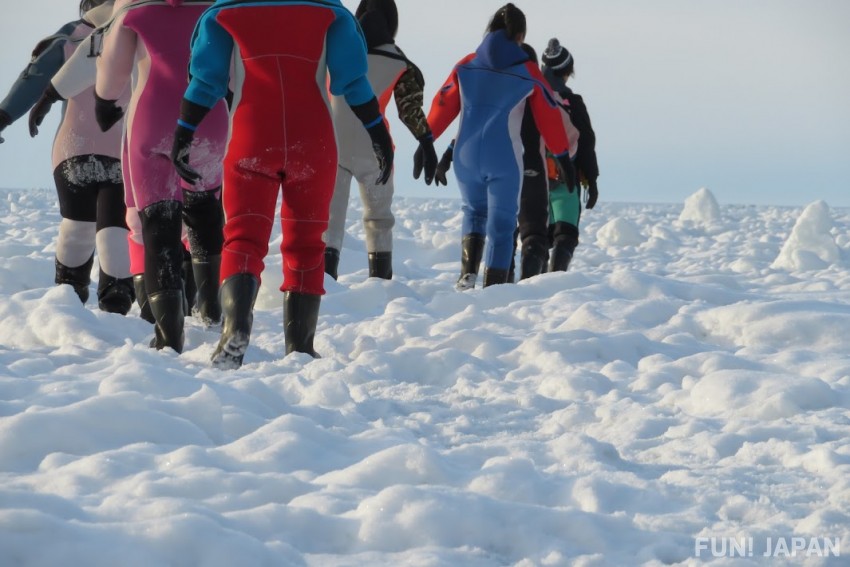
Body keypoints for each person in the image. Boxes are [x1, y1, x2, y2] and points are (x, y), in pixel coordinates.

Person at [173, 0, 394, 368]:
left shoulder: (226, 10)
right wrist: (377, 132)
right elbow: (351, 80)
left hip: (251, 137)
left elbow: (207, 80)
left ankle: (236, 326)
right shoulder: (331, 11)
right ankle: (300, 348)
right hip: (313, 141)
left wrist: (185, 129)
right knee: (308, 243)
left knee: (243, 236)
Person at [89, 0, 229, 353]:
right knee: (204, 213)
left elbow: (110, 77)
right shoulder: (217, 8)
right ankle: (211, 311)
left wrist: (104, 103)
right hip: (208, 118)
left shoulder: (134, 9)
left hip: (151, 119)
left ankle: (169, 338)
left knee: (158, 226)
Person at [425, 3, 576, 289]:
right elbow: (548, 113)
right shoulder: (528, 70)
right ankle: (493, 289)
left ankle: (467, 275)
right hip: (503, 156)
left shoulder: (466, 63)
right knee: (503, 225)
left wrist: (427, 140)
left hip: (466, 156)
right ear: (520, 36)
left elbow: (443, 102)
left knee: (473, 211)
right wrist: (562, 155)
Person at [0, 0, 134, 314]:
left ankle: (67, 307)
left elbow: (33, 79)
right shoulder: (136, 30)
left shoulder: (69, 37)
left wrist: (4, 116)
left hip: (73, 151)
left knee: (76, 226)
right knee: (115, 229)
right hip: (123, 150)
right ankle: (116, 307)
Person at [323, 0, 436, 281]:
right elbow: (410, 111)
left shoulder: (334, 49)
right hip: (375, 149)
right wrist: (426, 142)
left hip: (330, 146)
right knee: (379, 219)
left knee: (329, 221)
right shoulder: (399, 61)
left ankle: (324, 285)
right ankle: (380, 282)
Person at [540, 38, 599, 271]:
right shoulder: (572, 103)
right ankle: (553, 282)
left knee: (537, 236)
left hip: (531, 177)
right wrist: (591, 180)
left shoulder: (528, 97)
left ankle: (531, 284)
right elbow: (586, 142)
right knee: (566, 234)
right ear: (566, 72)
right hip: (566, 178)